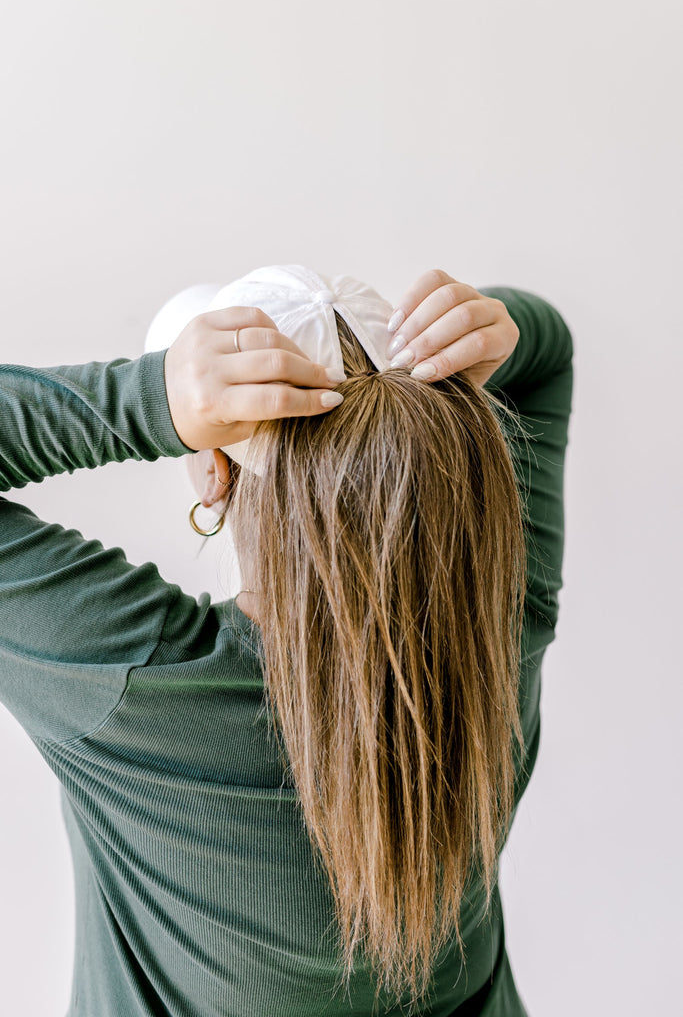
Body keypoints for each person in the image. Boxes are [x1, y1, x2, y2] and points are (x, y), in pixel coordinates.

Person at [0, 265, 573, 1016]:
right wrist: (513, 324)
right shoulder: (499, 620)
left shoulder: (133, 691)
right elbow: (546, 355)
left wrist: (151, 400)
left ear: (210, 471)